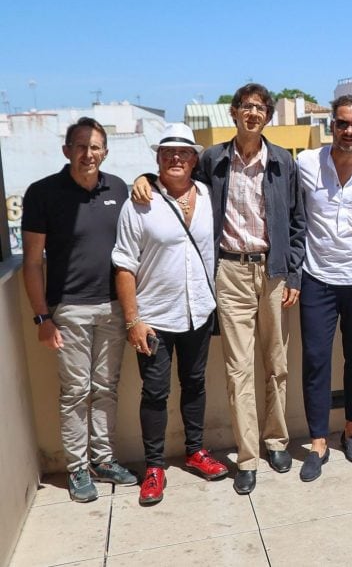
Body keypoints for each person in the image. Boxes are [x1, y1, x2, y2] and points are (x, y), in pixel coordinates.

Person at [133, 82, 306, 495]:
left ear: (268, 115)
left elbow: (298, 223)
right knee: (238, 369)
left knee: (277, 363)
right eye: (246, 106)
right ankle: (248, 457)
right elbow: (175, 180)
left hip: (273, 272)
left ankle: (276, 440)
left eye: (261, 108)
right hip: (228, 274)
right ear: (234, 113)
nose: (253, 114)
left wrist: (294, 274)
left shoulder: (283, 161)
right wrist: (141, 177)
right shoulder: (213, 159)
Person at [22, 117, 137, 502]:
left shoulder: (117, 188)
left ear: (105, 151)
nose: (89, 154)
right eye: (81, 146)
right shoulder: (43, 193)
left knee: (106, 388)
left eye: (96, 147)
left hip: (114, 307)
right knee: (76, 391)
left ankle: (103, 460)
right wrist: (42, 316)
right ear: (67, 150)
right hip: (69, 309)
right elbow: (33, 262)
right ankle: (77, 468)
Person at [112, 125, 228, 505]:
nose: (175, 158)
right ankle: (155, 467)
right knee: (155, 393)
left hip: (199, 311)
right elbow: (124, 266)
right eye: (167, 153)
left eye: (183, 152)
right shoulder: (139, 204)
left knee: (195, 384)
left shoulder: (209, 195)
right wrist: (133, 321)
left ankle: (195, 451)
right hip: (155, 318)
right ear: (157, 159)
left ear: (195, 159)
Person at [295, 95, 352, 482]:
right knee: (315, 360)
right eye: (343, 123)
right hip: (316, 279)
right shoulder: (304, 164)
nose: (349, 131)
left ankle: (351, 431)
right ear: (331, 124)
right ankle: (318, 441)